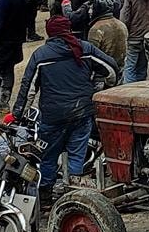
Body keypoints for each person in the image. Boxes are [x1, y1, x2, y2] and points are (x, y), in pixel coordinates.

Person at [13, 16, 117, 197]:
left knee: (48, 156)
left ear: (50, 32)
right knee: (76, 154)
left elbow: (28, 88)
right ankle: (72, 192)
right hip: (82, 113)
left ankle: (45, 192)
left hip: (53, 117)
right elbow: (111, 69)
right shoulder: (85, 48)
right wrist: (101, 88)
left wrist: (18, 115)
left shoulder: (41, 55)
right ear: (68, 29)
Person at [87, 0, 128, 68]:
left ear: (98, 9)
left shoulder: (96, 29)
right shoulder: (121, 24)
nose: (89, 12)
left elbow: (92, 54)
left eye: (92, 8)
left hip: (104, 68)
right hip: (120, 67)